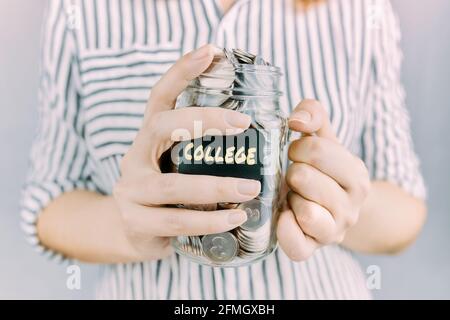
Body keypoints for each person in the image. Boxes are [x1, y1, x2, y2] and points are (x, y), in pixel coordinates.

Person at [21, 0, 427, 299]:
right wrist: (126, 228)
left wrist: (338, 209)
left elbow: (405, 207)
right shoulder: (81, 9)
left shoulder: (361, 11)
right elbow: (49, 199)